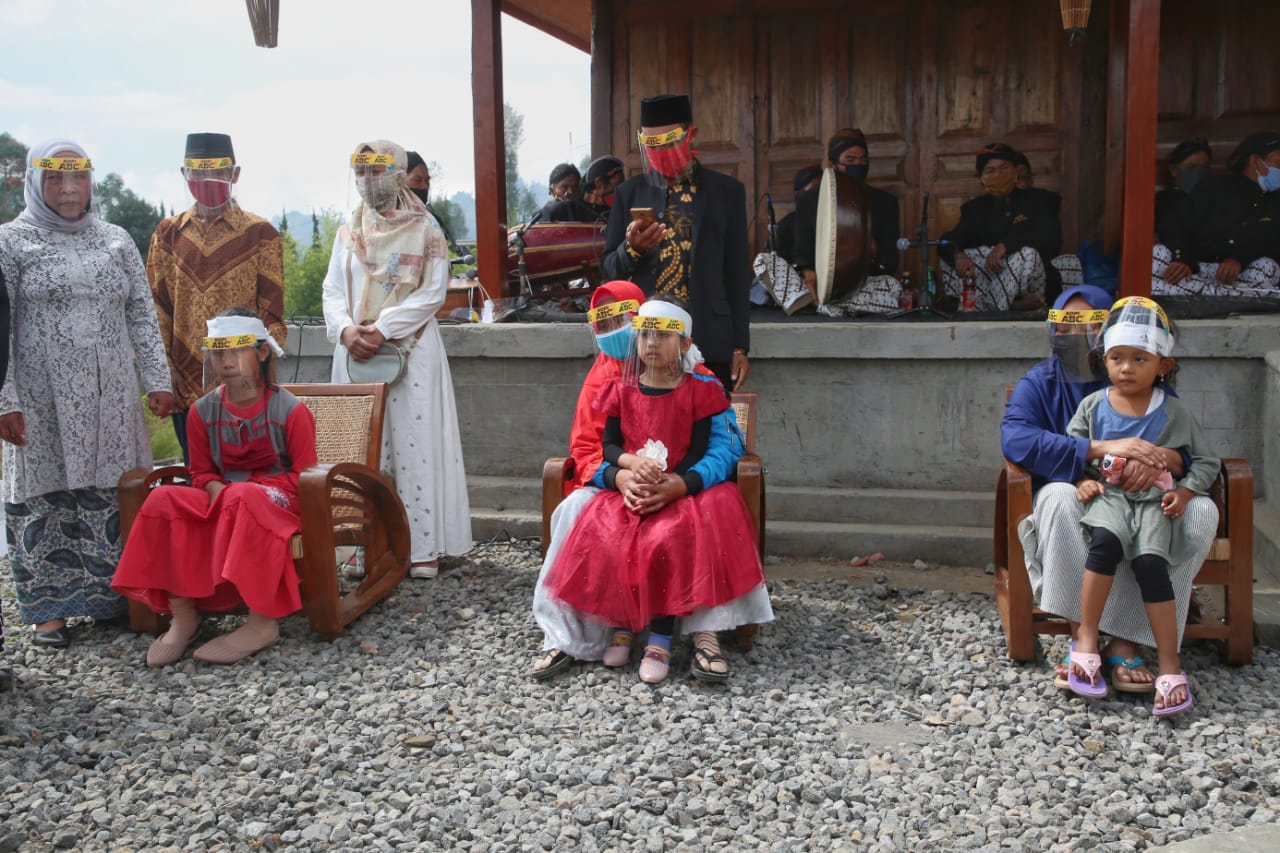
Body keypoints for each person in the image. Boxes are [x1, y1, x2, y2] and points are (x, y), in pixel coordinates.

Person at [530, 284, 758, 680]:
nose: (645, 340)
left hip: (681, 482)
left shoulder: (698, 378)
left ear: (682, 340)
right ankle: (568, 635)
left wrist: (682, 482)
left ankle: (704, 633)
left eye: (622, 318)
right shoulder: (605, 380)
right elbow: (589, 448)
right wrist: (618, 477)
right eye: (607, 322)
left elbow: (722, 446)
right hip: (615, 483)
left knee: (703, 518)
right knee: (571, 513)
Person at [1001, 285, 1218, 694]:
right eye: (1065, 328)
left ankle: (1126, 636)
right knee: (1061, 500)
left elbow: (1181, 442)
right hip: (1074, 490)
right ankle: (1081, 634)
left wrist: (1161, 459)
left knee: (1201, 512)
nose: (1075, 339)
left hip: (1144, 497)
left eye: (1089, 326)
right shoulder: (1040, 382)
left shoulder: (1137, 369)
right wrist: (1099, 448)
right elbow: (1015, 439)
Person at [0, 138, 174, 649]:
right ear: (34, 182)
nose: (70, 188)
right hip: (39, 396)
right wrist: (4, 397)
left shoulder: (115, 239)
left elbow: (140, 313)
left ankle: (114, 597)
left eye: (79, 177)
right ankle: (49, 612)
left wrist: (157, 379)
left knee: (113, 487)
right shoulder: (10, 242)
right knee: (42, 491)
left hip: (110, 394)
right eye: (56, 177)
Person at [112, 309, 317, 665]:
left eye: (237, 350)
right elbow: (201, 472)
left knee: (245, 497)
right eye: (218, 353)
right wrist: (214, 490)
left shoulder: (292, 411)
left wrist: (241, 493)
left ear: (262, 352)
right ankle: (184, 616)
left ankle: (262, 622)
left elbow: (303, 475)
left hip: (279, 505)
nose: (227, 361)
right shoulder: (201, 412)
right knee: (164, 498)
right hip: (224, 496)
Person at [321, 140, 472, 579]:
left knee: (415, 444)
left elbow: (432, 292)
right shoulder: (348, 231)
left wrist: (384, 327)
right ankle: (358, 549)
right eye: (361, 172)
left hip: (410, 350)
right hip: (355, 354)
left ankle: (421, 547)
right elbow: (333, 290)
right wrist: (348, 330)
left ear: (398, 172)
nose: (369, 181)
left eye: (378, 171)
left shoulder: (426, 230)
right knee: (359, 448)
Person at [1065, 297, 1219, 716]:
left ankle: (1170, 662)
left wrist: (1185, 492)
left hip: (1153, 502)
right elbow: (1073, 449)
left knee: (1152, 562)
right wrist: (1081, 480)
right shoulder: (1093, 407)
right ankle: (1087, 640)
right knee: (1105, 544)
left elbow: (1206, 460)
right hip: (1110, 497)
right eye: (1117, 358)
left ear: (1163, 365)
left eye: (1139, 358)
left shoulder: (1174, 412)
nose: (1127, 368)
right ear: (1104, 361)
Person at [147, 132, 285, 465]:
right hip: (185, 384)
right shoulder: (168, 233)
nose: (206, 180)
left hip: (245, 383)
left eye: (218, 171)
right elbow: (155, 310)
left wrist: (255, 372)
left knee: (249, 473)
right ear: (184, 175)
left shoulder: (260, 233)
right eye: (197, 172)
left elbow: (272, 315)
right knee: (198, 476)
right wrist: (165, 370)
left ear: (234, 174)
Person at [601, 93, 751, 392]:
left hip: (709, 336)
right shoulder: (629, 194)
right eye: (651, 145)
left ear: (689, 135)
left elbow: (737, 273)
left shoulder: (726, 192)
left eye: (668, 142)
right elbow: (608, 272)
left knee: (707, 430)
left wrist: (739, 346)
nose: (661, 152)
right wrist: (633, 248)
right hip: (648, 343)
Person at [1153, 131, 1280, 297]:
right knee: (1157, 255)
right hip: (1198, 270)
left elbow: (1272, 241)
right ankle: (1227, 297)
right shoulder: (1213, 189)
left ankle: (1211, 297)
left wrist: (1239, 258)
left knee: (1267, 266)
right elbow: (1177, 224)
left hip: (1239, 275)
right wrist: (1182, 258)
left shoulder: (1276, 200)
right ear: (1256, 161)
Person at [793, 129, 905, 315]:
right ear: (832, 164)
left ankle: (831, 307)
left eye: (863, 160)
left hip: (862, 284)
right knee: (766, 263)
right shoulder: (809, 200)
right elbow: (801, 251)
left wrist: (873, 251)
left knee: (892, 286)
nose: (858, 165)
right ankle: (823, 303)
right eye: (850, 160)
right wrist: (808, 272)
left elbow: (891, 262)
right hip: (818, 285)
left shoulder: (885, 203)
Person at [940, 142, 1064, 310]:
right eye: (990, 171)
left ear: (1015, 171)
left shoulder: (1040, 200)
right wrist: (958, 255)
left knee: (1027, 253)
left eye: (1004, 168)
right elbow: (950, 239)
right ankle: (1007, 306)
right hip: (993, 281)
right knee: (957, 256)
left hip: (1031, 283)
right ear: (982, 179)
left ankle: (993, 308)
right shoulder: (975, 209)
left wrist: (1005, 246)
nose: (998, 174)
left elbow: (1050, 237)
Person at [1152, 138, 1212, 286]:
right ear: (1174, 170)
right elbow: (1169, 230)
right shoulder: (1165, 200)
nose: (1198, 173)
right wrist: (1182, 258)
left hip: (1210, 268)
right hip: (1176, 267)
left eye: (1203, 168)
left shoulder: (1217, 200)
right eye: (1191, 167)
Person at [404, 150, 462, 254]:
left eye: (427, 181)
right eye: (417, 180)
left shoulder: (431, 219)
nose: (424, 186)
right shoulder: (380, 219)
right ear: (399, 181)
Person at [581, 155, 626, 221]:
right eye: (617, 186)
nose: (622, 190)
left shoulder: (619, 211)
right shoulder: (568, 211)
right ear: (599, 183)